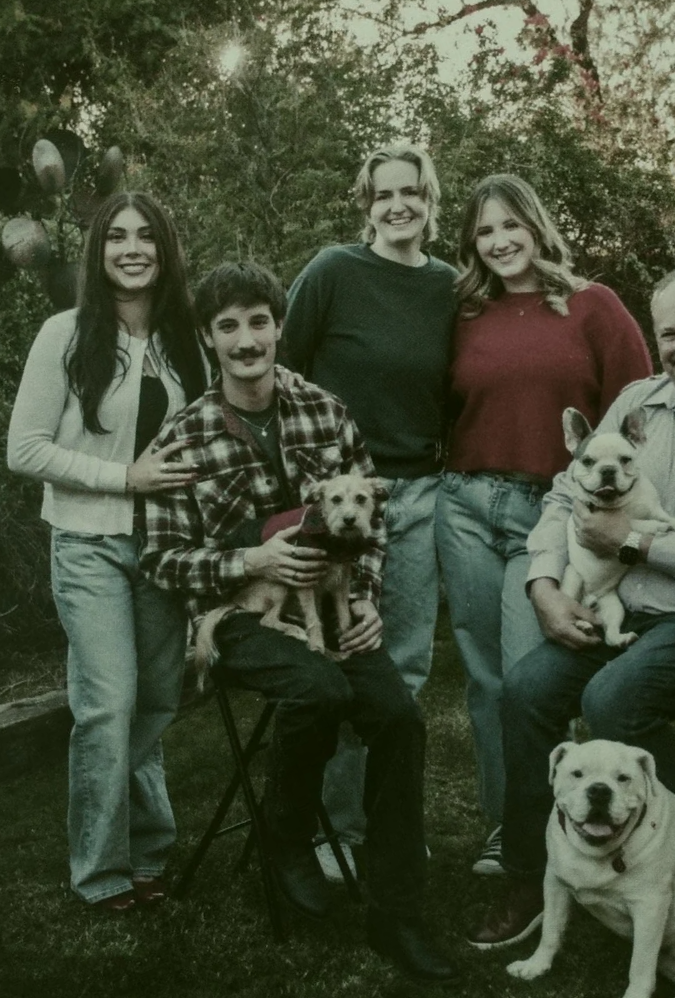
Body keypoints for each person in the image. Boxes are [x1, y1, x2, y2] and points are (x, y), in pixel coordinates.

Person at [466, 266, 675, 949]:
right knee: (527, 689)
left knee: (614, 698)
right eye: (671, 333)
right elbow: (566, 497)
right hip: (632, 614)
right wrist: (544, 587)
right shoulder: (637, 403)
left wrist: (633, 542)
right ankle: (536, 876)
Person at [140, 261, 457, 983]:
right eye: (228, 326)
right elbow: (159, 559)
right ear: (209, 338)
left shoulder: (326, 409)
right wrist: (252, 562)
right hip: (244, 616)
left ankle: (397, 910)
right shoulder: (184, 433)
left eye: (259, 322)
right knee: (318, 690)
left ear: (280, 328)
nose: (247, 339)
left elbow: (371, 521)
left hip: (335, 601)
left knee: (401, 719)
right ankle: (286, 835)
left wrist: (369, 595)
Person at [435, 174, 653, 875]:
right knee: (486, 681)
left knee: (531, 676)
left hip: (551, 511)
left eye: (510, 226)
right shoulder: (464, 312)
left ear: (536, 225)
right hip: (465, 505)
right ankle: (511, 828)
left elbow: (640, 420)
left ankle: (559, 826)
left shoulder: (595, 306)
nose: (499, 242)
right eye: (484, 232)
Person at [7, 192, 207, 911]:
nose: (131, 249)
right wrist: (123, 477)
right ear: (98, 252)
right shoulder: (66, 332)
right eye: (116, 237)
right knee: (108, 704)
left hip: (164, 547)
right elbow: (24, 448)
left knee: (155, 700)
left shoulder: (187, 340)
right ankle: (100, 870)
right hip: (89, 543)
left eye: (146, 237)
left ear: (165, 250)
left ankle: (148, 854)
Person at [281, 144, 457, 869]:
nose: (397, 206)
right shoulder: (332, 272)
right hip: (331, 498)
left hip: (413, 498)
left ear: (429, 201)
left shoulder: (450, 286)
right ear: (366, 203)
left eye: (410, 193)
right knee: (336, 660)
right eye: (383, 194)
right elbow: (282, 374)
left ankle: (383, 827)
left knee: (401, 666)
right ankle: (334, 829)